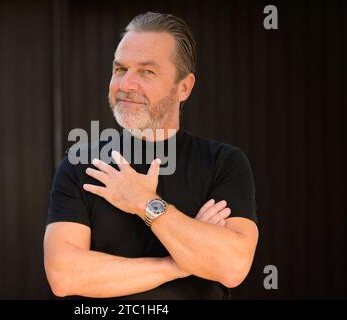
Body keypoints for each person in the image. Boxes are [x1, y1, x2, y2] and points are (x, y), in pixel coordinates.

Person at [43, 12, 258, 299]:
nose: (126, 84)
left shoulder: (223, 163)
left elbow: (231, 267)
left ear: (184, 87)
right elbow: (64, 276)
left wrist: (144, 202)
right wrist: (178, 264)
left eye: (146, 71)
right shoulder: (81, 165)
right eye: (120, 69)